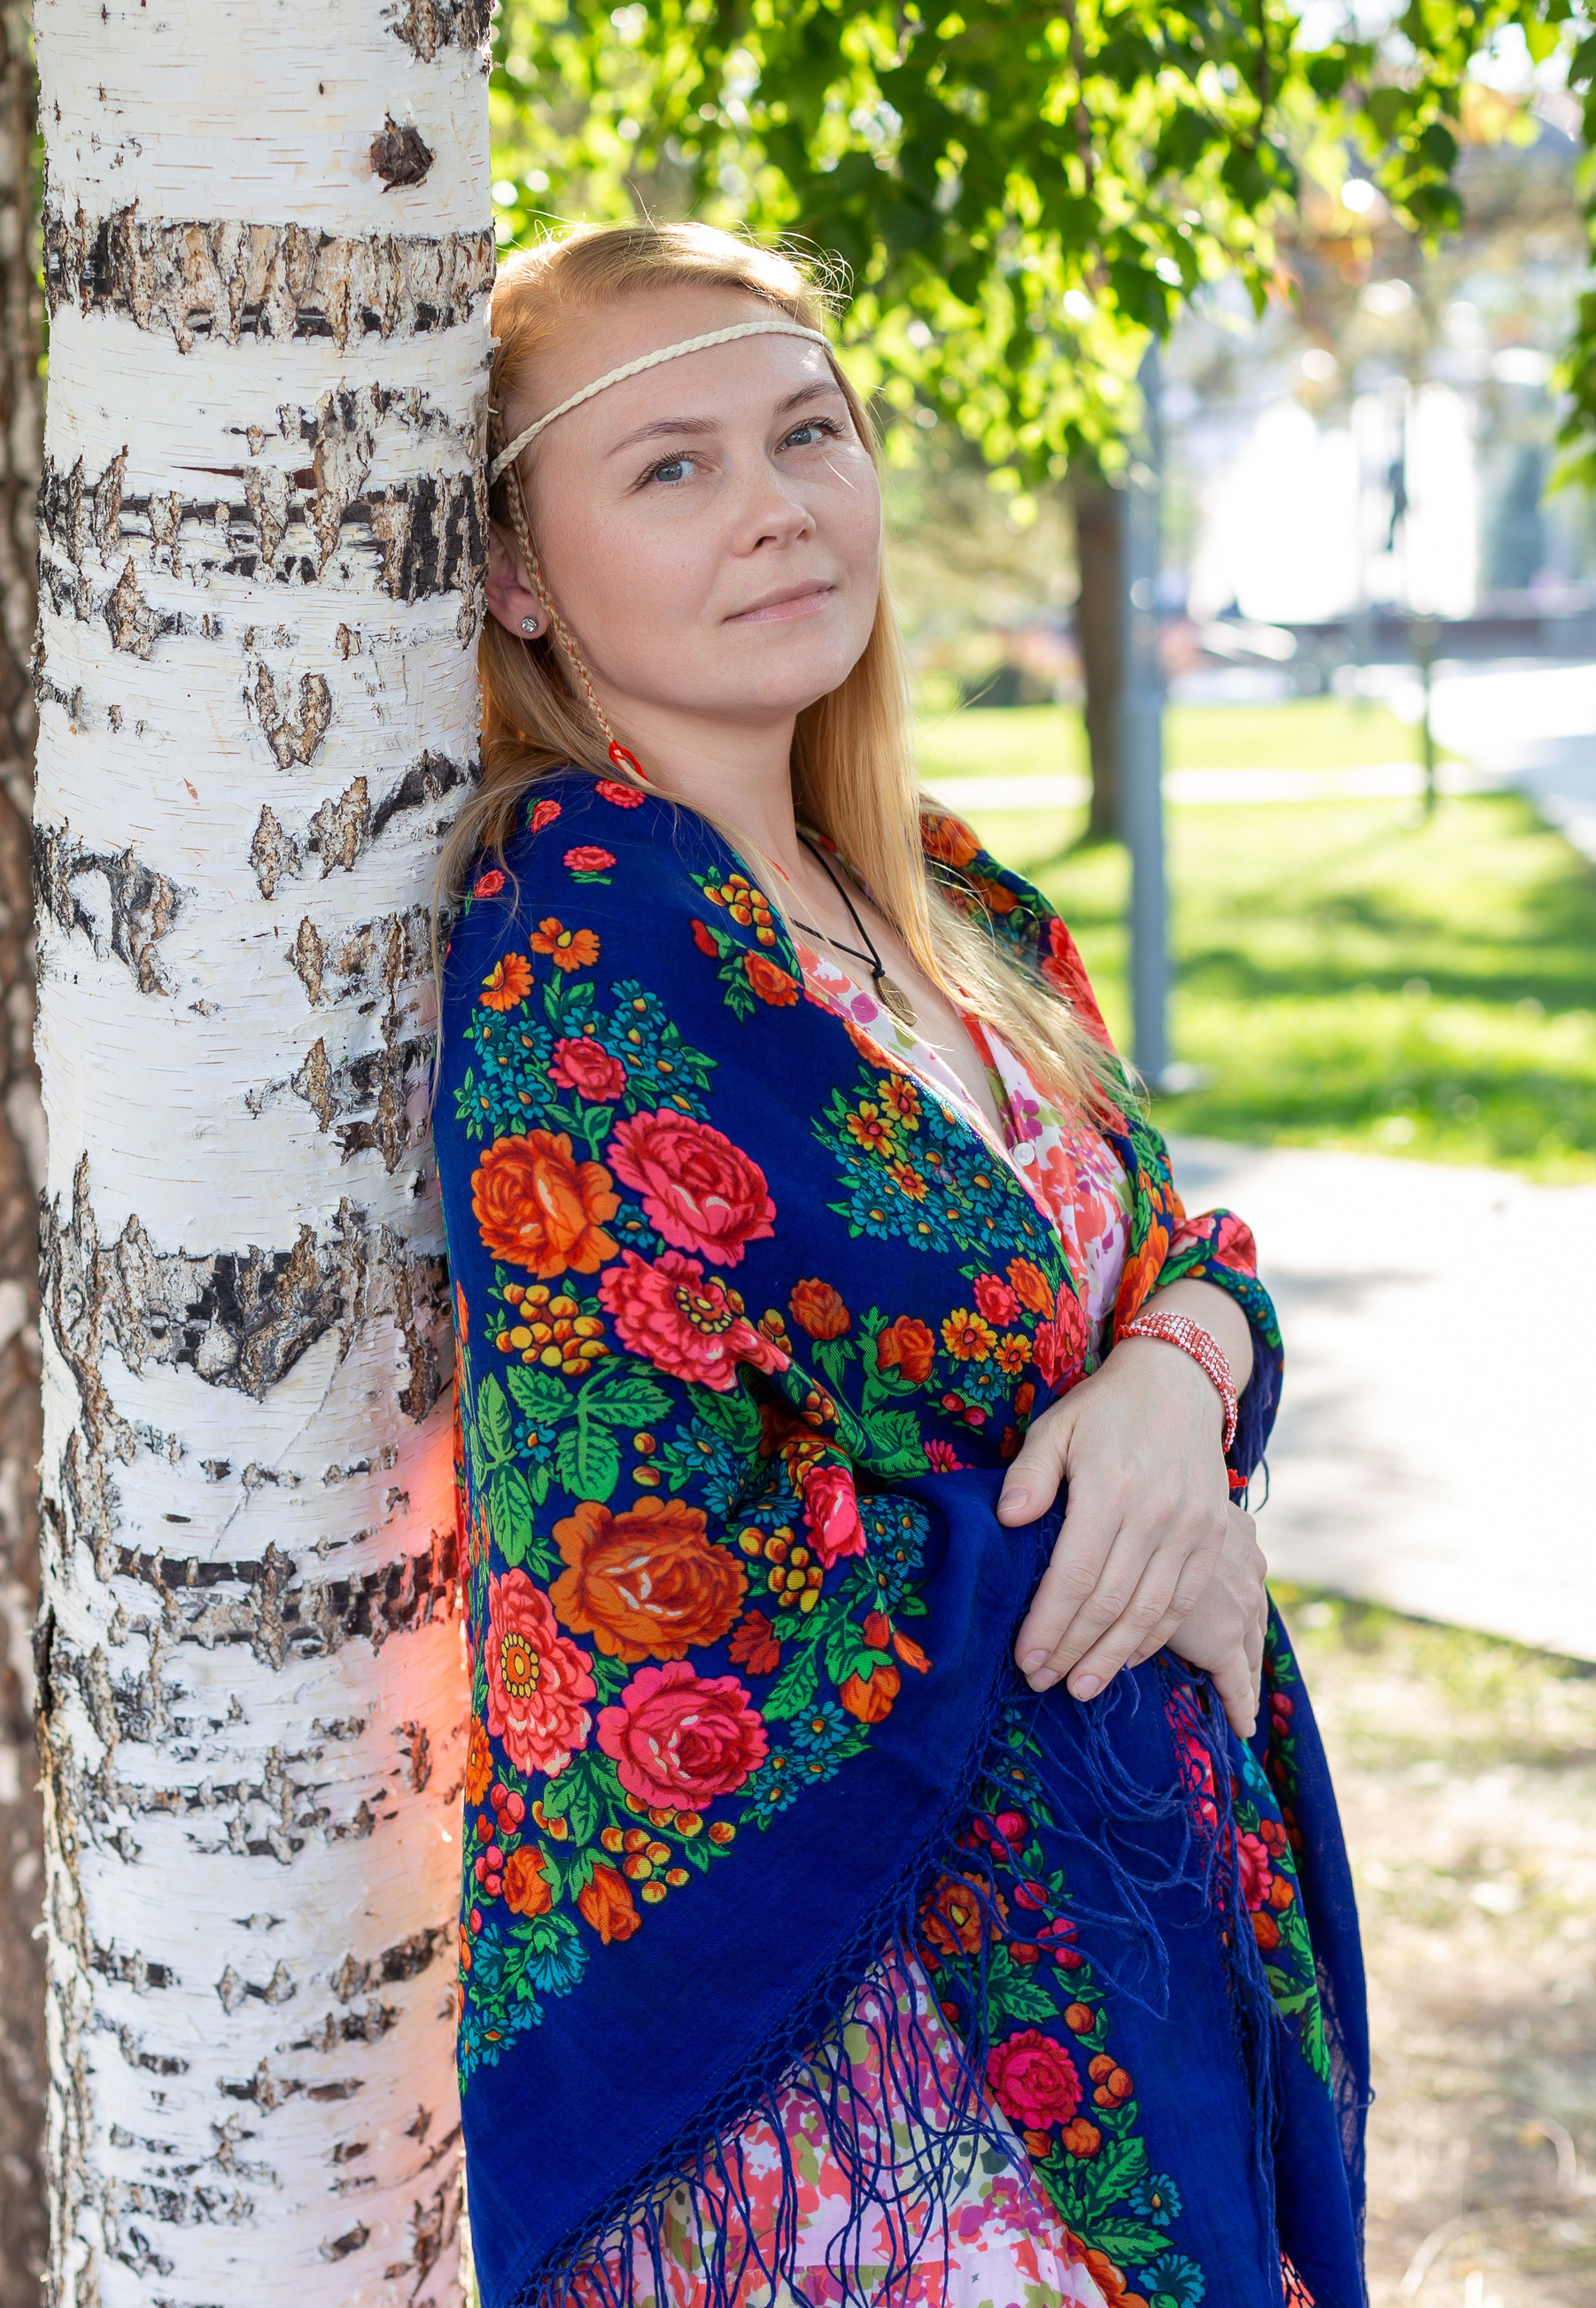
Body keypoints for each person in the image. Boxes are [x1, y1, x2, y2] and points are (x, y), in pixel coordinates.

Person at [431, 222, 1367, 2308]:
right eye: (671, 467)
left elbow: (1171, 1239)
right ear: (517, 572)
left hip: (1125, 1926)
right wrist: (1142, 1531)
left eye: (808, 435)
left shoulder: (941, 888)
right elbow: (668, 1538)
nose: (777, 508)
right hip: (861, 2092)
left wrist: (1185, 1378)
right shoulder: (586, 934)